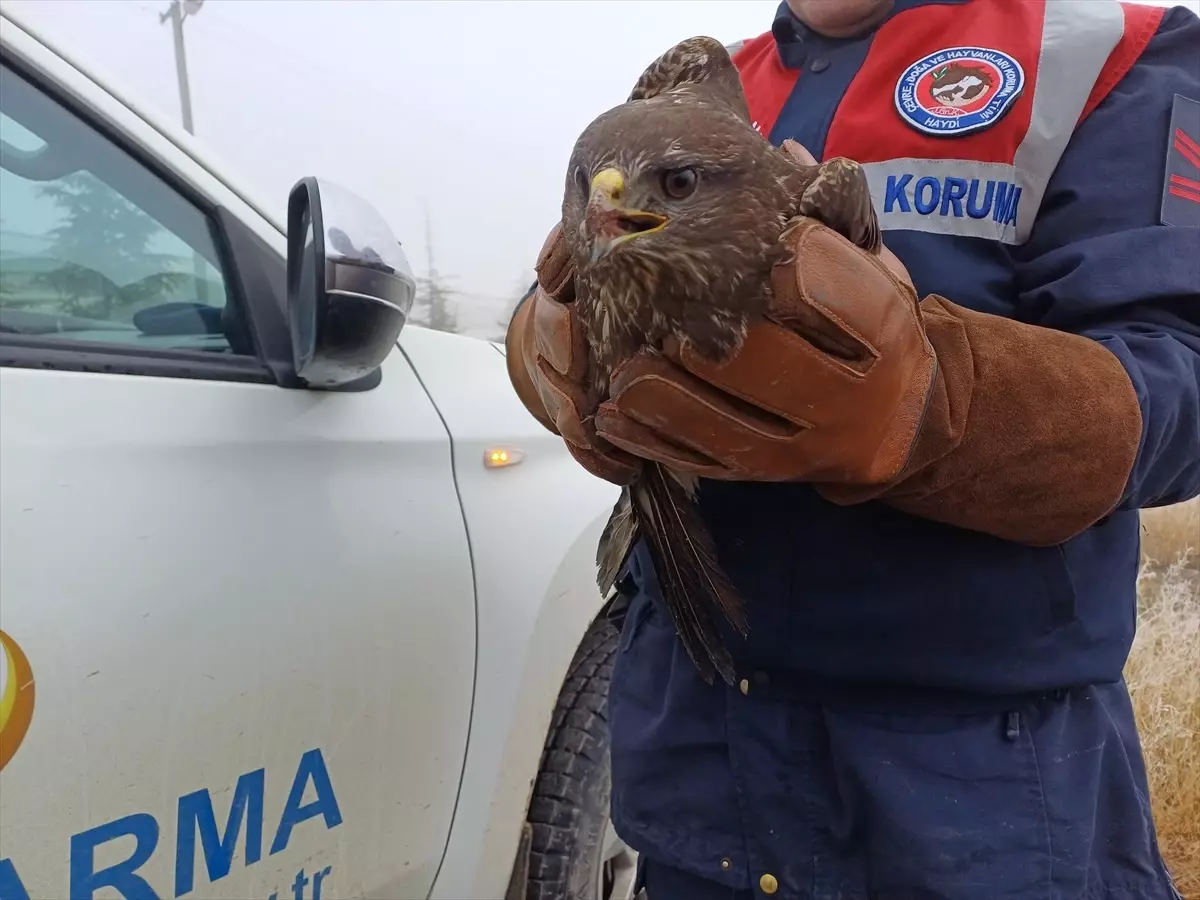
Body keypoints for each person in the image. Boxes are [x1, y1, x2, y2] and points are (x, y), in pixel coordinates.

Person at [505, 0, 1200, 896]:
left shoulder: (1103, 52)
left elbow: (1179, 384)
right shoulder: (699, 90)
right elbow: (568, 279)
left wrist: (941, 404)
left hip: (979, 788)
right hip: (697, 755)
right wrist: (545, 349)